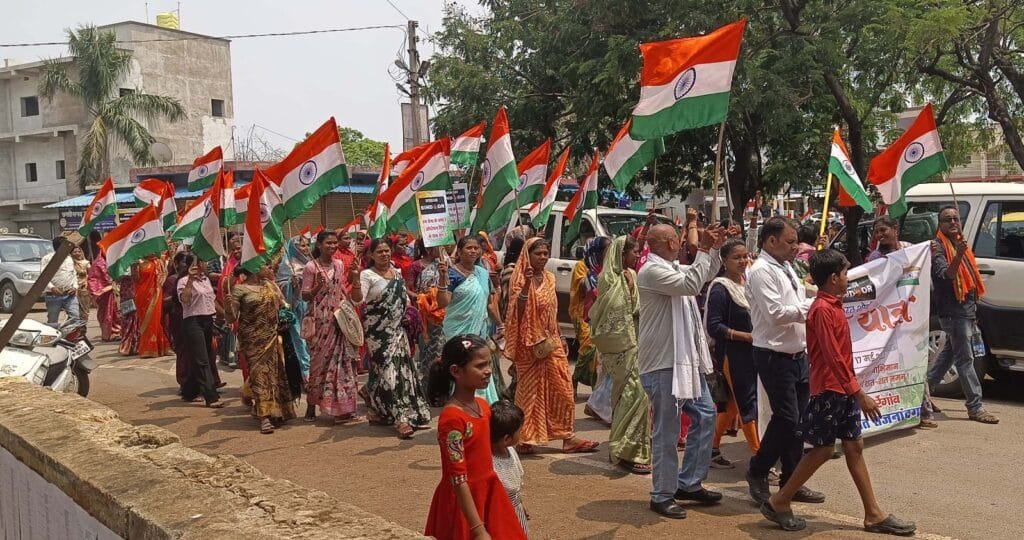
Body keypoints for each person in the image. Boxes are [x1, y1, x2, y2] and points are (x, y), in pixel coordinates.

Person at [761, 250, 916, 536]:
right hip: (831, 390)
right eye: (845, 273)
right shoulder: (822, 310)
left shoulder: (832, 306)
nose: (847, 278)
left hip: (842, 388)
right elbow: (833, 357)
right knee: (822, 450)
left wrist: (853, 390)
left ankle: (873, 514)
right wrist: (858, 393)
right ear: (833, 278)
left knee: (854, 447)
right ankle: (780, 500)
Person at [637, 224, 725, 519]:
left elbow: (705, 275)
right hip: (663, 364)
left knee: (706, 414)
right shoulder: (652, 271)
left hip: (685, 361)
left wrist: (714, 248)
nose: (681, 241)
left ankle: (689, 483)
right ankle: (662, 494)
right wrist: (704, 249)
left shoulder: (672, 267)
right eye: (677, 237)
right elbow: (691, 285)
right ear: (670, 243)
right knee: (668, 431)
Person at [745, 217, 825, 507]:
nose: (795, 247)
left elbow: (798, 297)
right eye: (790, 242)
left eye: (796, 242)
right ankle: (758, 470)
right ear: (771, 241)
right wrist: (815, 306)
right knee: (787, 419)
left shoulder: (786, 267)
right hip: (773, 355)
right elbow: (776, 313)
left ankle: (792, 480)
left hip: (797, 354)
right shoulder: (761, 271)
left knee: (800, 422)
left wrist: (822, 296)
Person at [424, 335, 527, 540]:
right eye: (480, 366)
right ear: (456, 371)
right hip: (464, 504)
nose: (488, 370)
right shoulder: (452, 419)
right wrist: (478, 529)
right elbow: (458, 478)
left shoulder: (483, 406)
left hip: (489, 493)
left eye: (488, 363)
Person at [505, 237, 599, 455]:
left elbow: (551, 311)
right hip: (529, 345)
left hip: (550, 342)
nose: (543, 257)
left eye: (545, 253)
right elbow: (517, 311)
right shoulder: (518, 278)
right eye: (538, 254)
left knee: (563, 389)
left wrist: (560, 336)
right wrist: (527, 284)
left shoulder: (549, 277)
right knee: (529, 393)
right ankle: (525, 437)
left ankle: (568, 437)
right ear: (527, 256)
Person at [928, 206, 998, 424]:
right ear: (940, 224)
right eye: (947, 219)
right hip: (953, 311)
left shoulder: (960, 243)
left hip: (966, 309)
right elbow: (945, 275)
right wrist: (958, 255)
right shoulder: (938, 248)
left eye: (955, 219)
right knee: (965, 359)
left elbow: (970, 278)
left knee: (949, 355)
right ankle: (975, 407)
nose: (952, 222)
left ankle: (923, 395)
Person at [589, 235, 651, 475]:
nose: (637, 256)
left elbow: (638, 309)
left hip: (635, 343)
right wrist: (630, 289)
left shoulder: (632, 275)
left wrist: (633, 288)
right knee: (632, 394)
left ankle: (630, 446)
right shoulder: (607, 278)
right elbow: (613, 312)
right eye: (634, 252)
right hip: (618, 347)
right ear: (621, 254)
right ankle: (625, 450)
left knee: (637, 396)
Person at [360, 238, 432, 438]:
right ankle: (401, 419)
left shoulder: (397, 273)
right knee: (388, 374)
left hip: (398, 331)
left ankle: (380, 410)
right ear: (371, 255)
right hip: (378, 334)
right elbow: (358, 300)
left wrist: (411, 312)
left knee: (402, 373)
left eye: (386, 251)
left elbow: (404, 300)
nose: (384, 254)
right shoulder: (366, 275)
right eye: (379, 251)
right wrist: (355, 283)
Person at [704, 239, 760, 468]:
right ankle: (759, 459)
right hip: (733, 354)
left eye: (745, 256)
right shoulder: (720, 288)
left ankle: (712, 449)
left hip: (753, 352)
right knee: (748, 403)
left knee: (732, 405)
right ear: (724, 261)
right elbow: (713, 327)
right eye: (736, 257)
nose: (742, 261)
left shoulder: (749, 283)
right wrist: (744, 336)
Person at [229, 261, 297, 434]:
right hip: (252, 339)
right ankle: (264, 417)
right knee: (259, 374)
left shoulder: (270, 285)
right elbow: (231, 318)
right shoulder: (240, 289)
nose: (269, 268)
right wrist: (228, 303)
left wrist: (294, 290)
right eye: (265, 266)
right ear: (253, 268)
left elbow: (284, 305)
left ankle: (273, 409)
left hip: (271, 335)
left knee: (273, 374)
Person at [302, 231, 363, 424]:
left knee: (342, 364)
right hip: (320, 323)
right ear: (319, 245)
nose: (332, 246)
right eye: (328, 243)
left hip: (338, 321)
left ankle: (342, 407)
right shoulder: (311, 267)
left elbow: (342, 288)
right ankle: (311, 404)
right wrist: (317, 286)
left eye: (334, 242)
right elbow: (305, 296)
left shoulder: (338, 264)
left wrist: (354, 274)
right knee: (318, 365)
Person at [439, 235, 503, 403]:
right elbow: (443, 302)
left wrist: (500, 325)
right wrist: (442, 279)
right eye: (469, 248)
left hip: (479, 332)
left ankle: (482, 404)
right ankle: (462, 405)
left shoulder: (482, 273)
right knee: (462, 367)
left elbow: (490, 304)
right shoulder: (452, 274)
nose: (473, 251)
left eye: (476, 248)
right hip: (457, 331)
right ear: (459, 252)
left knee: (479, 366)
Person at [177, 256, 226, 409]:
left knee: (204, 357)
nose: (207, 264)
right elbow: (184, 299)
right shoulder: (183, 281)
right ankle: (211, 397)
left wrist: (225, 315)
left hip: (207, 320)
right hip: (193, 322)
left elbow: (212, 300)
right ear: (195, 265)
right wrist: (190, 280)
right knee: (202, 360)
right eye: (204, 261)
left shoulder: (206, 280)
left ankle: (189, 391)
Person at [570, 236, 609, 395]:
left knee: (597, 355)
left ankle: (596, 389)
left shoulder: (608, 267)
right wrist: (592, 278)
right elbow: (583, 287)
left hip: (601, 316)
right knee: (588, 348)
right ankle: (575, 378)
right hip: (582, 313)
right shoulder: (582, 266)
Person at [490, 399, 530, 537]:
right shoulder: (490, 463)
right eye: (519, 431)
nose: (521, 433)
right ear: (507, 438)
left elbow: (515, 490)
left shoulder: (511, 451)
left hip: (516, 510)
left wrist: (520, 504)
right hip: (500, 516)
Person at [276, 236, 312, 378]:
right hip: (296, 307)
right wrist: (291, 284)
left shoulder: (311, 262)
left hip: (311, 306)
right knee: (300, 340)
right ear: (294, 247)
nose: (306, 248)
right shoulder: (287, 264)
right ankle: (305, 372)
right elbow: (280, 285)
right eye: (302, 245)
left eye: (308, 245)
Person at [414, 244, 446, 383]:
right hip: (433, 319)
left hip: (453, 318)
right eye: (441, 247)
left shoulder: (452, 267)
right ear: (429, 250)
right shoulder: (428, 272)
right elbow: (423, 294)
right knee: (432, 355)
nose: (445, 249)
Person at [41, 236, 80, 328]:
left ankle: (67, 334)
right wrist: (52, 287)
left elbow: (73, 274)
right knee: (52, 321)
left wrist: (75, 287)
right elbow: (43, 277)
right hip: (53, 295)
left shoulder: (69, 259)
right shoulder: (47, 259)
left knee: (75, 317)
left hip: (69, 295)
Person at [136, 254, 170, 358]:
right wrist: (134, 267)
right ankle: (149, 348)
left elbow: (163, 277)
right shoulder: (138, 262)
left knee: (155, 320)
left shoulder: (158, 262)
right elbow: (135, 279)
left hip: (155, 294)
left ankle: (156, 347)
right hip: (141, 295)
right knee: (145, 320)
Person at [87, 250, 121, 341]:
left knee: (118, 313)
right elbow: (93, 278)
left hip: (117, 290)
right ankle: (110, 334)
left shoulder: (115, 260)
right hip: (105, 293)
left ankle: (118, 331)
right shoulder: (99, 263)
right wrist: (101, 289)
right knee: (107, 314)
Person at [119, 268, 140, 356]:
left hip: (128, 292)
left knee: (131, 318)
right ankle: (130, 346)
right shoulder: (123, 264)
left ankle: (132, 345)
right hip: (129, 292)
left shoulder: (121, 265)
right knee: (131, 317)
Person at [71, 246, 91, 325]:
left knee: (84, 310)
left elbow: (91, 274)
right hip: (72, 289)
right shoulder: (69, 263)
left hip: (83, 288)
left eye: (78, 251)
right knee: (73, 310)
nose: (77, 253)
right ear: (71, 253)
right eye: (75, 252)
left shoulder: (86, 263)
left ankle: (83, 328)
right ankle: (74, 328)